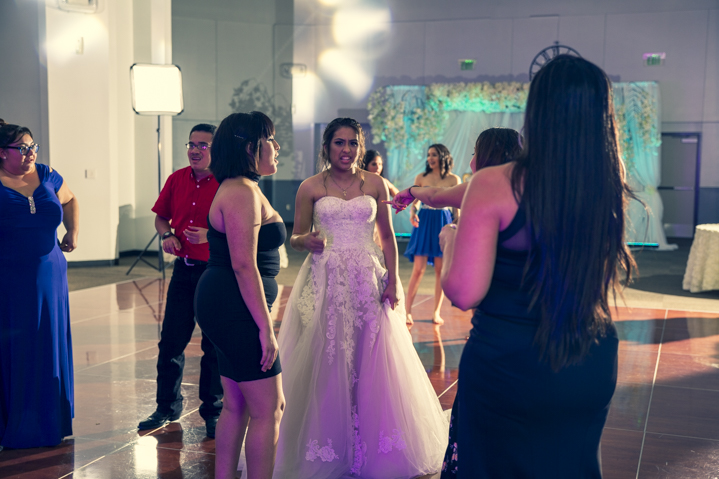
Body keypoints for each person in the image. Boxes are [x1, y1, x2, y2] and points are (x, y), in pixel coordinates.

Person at [439, 55, 633, 478]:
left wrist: (450, 241)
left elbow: (464, 292)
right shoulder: (607, 180)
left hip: (510, 363)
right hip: (589, 356)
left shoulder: (495, 183)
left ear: (537, 111)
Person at [273, 118, 448, 479]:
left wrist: (393, 281)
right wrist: (306, 241)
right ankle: (329, 441)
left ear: (360, 147)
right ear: (327, 146)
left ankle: (373, 441)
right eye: (339, 142)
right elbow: (295, 236)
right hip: (325, 279)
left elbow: (387, 236)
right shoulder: (310, 187)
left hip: (367, 279)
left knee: (371, 357)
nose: (347, 150)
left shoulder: (374, 183)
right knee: (328, 355)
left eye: (353, 143)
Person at [387, 127, 522, 479]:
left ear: (488, 155)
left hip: (496, 330)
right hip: (541, 331)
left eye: (475, 151)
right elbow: (433, 195)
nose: (471, 159)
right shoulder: (539, 189)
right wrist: (412, 192)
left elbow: (461, 294)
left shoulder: (485, 187)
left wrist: (450, 240)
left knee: (481, 415)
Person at [194, 111, 285, 479]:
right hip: (234, 305)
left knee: (236, 405)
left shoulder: (241, 186)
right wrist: (265, 328)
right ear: (251, 147)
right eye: (271, 140)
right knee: (270, 408)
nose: (277, 147)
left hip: (226, 302)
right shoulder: (241, 191)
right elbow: (244, 265)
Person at [138, 123, 223, 438]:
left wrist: (210, 235)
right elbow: (161, 217)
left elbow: (243, 228)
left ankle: (213, 412)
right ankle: (166, 407)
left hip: (214, 273)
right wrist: (167, 235)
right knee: (171, 342)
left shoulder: (228, 184)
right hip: (183, 271)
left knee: (212, 347)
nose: (195, 150)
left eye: (203, 145)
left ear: (216, 149)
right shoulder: (176, 179)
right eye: (191, 144)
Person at [0, 119, 79, 448]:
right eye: (22, 148)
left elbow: (70, 200)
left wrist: (72, 231)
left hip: (51, 275)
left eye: (33, 146)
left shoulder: (47, 174)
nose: (31, 153)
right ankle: (14, 423)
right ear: (2, 153)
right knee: (16, 347)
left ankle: (48, 422)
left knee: (47, 343)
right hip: (10, 279)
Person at [389, 128, 522, 213]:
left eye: (475, 153)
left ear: (490, 157)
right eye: (428, 155)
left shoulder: (480, 189)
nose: (471, 161)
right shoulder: (526, 189)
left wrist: (450, 237)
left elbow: (435, 196)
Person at [403, 144, 461, 325]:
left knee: (440, 270)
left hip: (444, 221)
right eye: (428, 155)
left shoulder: (454, 179)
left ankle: (436, 312)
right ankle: (407, 311)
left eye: (434, 155)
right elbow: (415, 201)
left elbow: (457, 207)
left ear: (443, 156)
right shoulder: (421, 177)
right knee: (418, 269)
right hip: (425, 221)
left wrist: (456, 224)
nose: (430, 158)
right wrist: (413, 213)